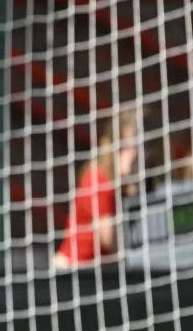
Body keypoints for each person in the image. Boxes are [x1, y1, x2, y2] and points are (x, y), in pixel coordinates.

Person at [53, 109, 143, 268]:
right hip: (75, 268)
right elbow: (111, 241)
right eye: (132, 146)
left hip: (96, 269)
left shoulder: (120, 185)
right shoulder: (98, 179)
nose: (136, 153)